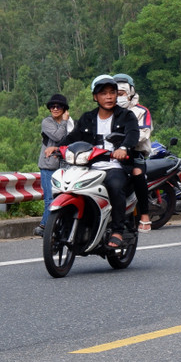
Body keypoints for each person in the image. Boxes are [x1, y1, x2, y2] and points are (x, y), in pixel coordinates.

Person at [54, 75, 139, 251]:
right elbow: (73, 137)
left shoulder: (126, 116)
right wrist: (57, 148)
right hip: (88, 166)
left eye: (112, 93)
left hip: (114, 166)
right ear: (95, 97)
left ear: (117, 95)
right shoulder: (87, 118)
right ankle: (62, 227)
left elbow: (133, 135)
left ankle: (117, 230)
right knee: (68, 185)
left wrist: (123, 148)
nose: (108, 97)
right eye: (103, 93)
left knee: (115, 185)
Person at [113, 74, 154, 231]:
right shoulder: (108, 112)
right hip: (111, 154)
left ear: (130, 92)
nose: (118, 97)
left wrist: (124, 142)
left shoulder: (141, 111)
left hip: (135, 153)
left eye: (121, 93)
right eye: (115, 93)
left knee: (137, 174)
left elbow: (144, 133)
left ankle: (144, 213)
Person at [35, 93, 72, 237]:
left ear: (64, 109)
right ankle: (45, 226)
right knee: (50, 198)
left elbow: (71, 140)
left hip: (64, 166)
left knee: (63, 197)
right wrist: (64, 122)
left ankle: (59, 225)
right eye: (52, 106)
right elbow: (57, 137)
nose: (55, 109)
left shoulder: (70, 122)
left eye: (59, 106)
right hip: (48, 165)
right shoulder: (47, 122)